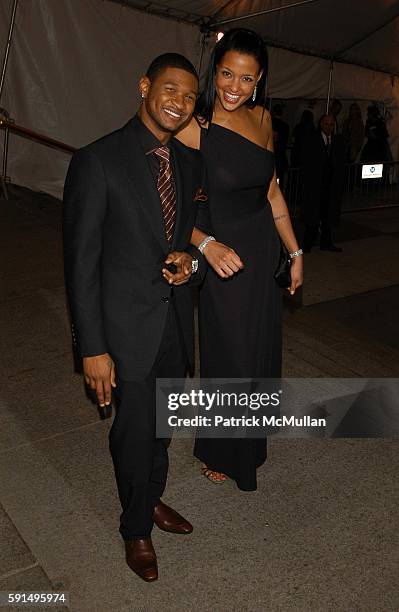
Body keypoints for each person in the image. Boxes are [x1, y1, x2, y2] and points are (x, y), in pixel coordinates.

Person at [63, 54, 208, 582]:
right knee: (134, 430)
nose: (179, 103)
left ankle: (150, 499)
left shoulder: (188, 163)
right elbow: (80, 265)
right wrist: (91, 348)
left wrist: (189, 263)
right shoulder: (97, 160)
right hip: (122, 330)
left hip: (173, 323)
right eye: (171, 90)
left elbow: (189, 236)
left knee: (163, 426)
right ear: (145, 86)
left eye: (190, 97)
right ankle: (134, 529)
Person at [176, 29, 303, 491]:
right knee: (228, 357)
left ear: (260, 79)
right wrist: (206, 244)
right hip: (223, 257)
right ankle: (221, 447)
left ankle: (250, 439)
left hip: (261, 250)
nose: (234, 87)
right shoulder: (196, 124)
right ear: (216, 70)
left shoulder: (265, 119)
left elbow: (272, 193)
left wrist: (295, 252)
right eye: (227, 73)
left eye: (246, 79)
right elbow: (164, 204)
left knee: (258, 353)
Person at [301, 114, 346, 252]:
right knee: (313, 218)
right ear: (321, 124)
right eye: (327, 124)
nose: (329, 127)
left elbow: (340, 162)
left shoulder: (337, 141)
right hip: (315, 186)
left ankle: (326, 243)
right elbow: (307, 162)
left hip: (331, 187)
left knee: (328, 217)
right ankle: (307, 245)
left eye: (332, 124)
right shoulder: (312, 140)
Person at [271, 103, 290, 190]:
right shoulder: (285, 126)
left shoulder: (270, 123)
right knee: (278, 181)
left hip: (272, 157)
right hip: (280, 158)